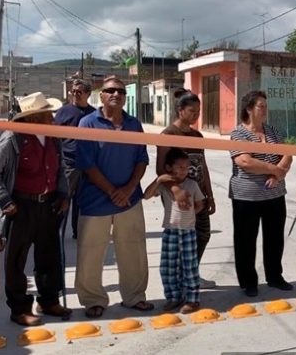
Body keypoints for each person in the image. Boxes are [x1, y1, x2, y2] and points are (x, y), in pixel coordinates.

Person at [0, 92, 71, 326]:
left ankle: (49, 300)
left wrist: (63, 194)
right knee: (16, 260)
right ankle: (19, 309)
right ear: (34, 118)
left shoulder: (53, 137)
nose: (53, 118)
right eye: (47, 114)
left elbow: (61, 168)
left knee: (49, 256)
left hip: (49, 204)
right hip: (21, 207)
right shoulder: (13, 138)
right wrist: (5, 201)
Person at [75, 76, 152, 318]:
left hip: (129, 200)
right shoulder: (87, 123)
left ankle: (134, 296)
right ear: (101, 95)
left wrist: (128, 189)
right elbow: (86, 163)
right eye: (110, 91)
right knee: (90, 253)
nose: (116, 94)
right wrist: (112, 191)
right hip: (95, 201)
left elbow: (142, 159)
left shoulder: (134, 124)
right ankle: (93, 300)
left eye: (120, 91)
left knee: (133, 251)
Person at [229, 90, 293, 297]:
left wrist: (277, 175)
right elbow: (245, 161)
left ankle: (275, 276)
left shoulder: (272, 131)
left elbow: (287, 154)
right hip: (246, 196)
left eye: (266, 106)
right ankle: (248, 282)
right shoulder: (238, 133)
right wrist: (274, 169)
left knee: (274, 238)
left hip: (274, 194)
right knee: (246, 240)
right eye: (260, 106)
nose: (265, 109)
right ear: (249, 109)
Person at [156, 89, 217, 289]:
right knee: (183, 238)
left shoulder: (197, 136)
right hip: (178, 196)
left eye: (198, 111)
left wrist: (209, 195)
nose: (196, 115)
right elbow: (160, 169)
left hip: (198, 195)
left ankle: (191, 273)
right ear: (180, 110)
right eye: (192, 111)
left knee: (203, 234)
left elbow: (203, 166)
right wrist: (175, 191)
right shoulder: (168, 135)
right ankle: (181, 279)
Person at [144, 148, 204, 314]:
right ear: (169, 167)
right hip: (170, 231)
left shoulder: (192, 184)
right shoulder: (165, 186)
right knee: (168, 268)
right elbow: (146, 195)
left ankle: (192, 299)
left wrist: (190, 215)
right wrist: (158, 180)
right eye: (180, 167)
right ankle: (173, 297)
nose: (184, 170)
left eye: (187, 167)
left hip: (188, 232)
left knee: (189, 267)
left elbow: (199, 204)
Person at [54, 78, 96, 240]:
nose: (75, 94)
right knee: (64, 198)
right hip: (69, 164)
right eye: (73, 91)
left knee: (83, 200)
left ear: (88, 94)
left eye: (79, 92)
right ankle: (56, 231)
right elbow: (55, 137)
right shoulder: (63, 112)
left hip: (88, 165)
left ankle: (79, 232)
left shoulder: (94, 114)